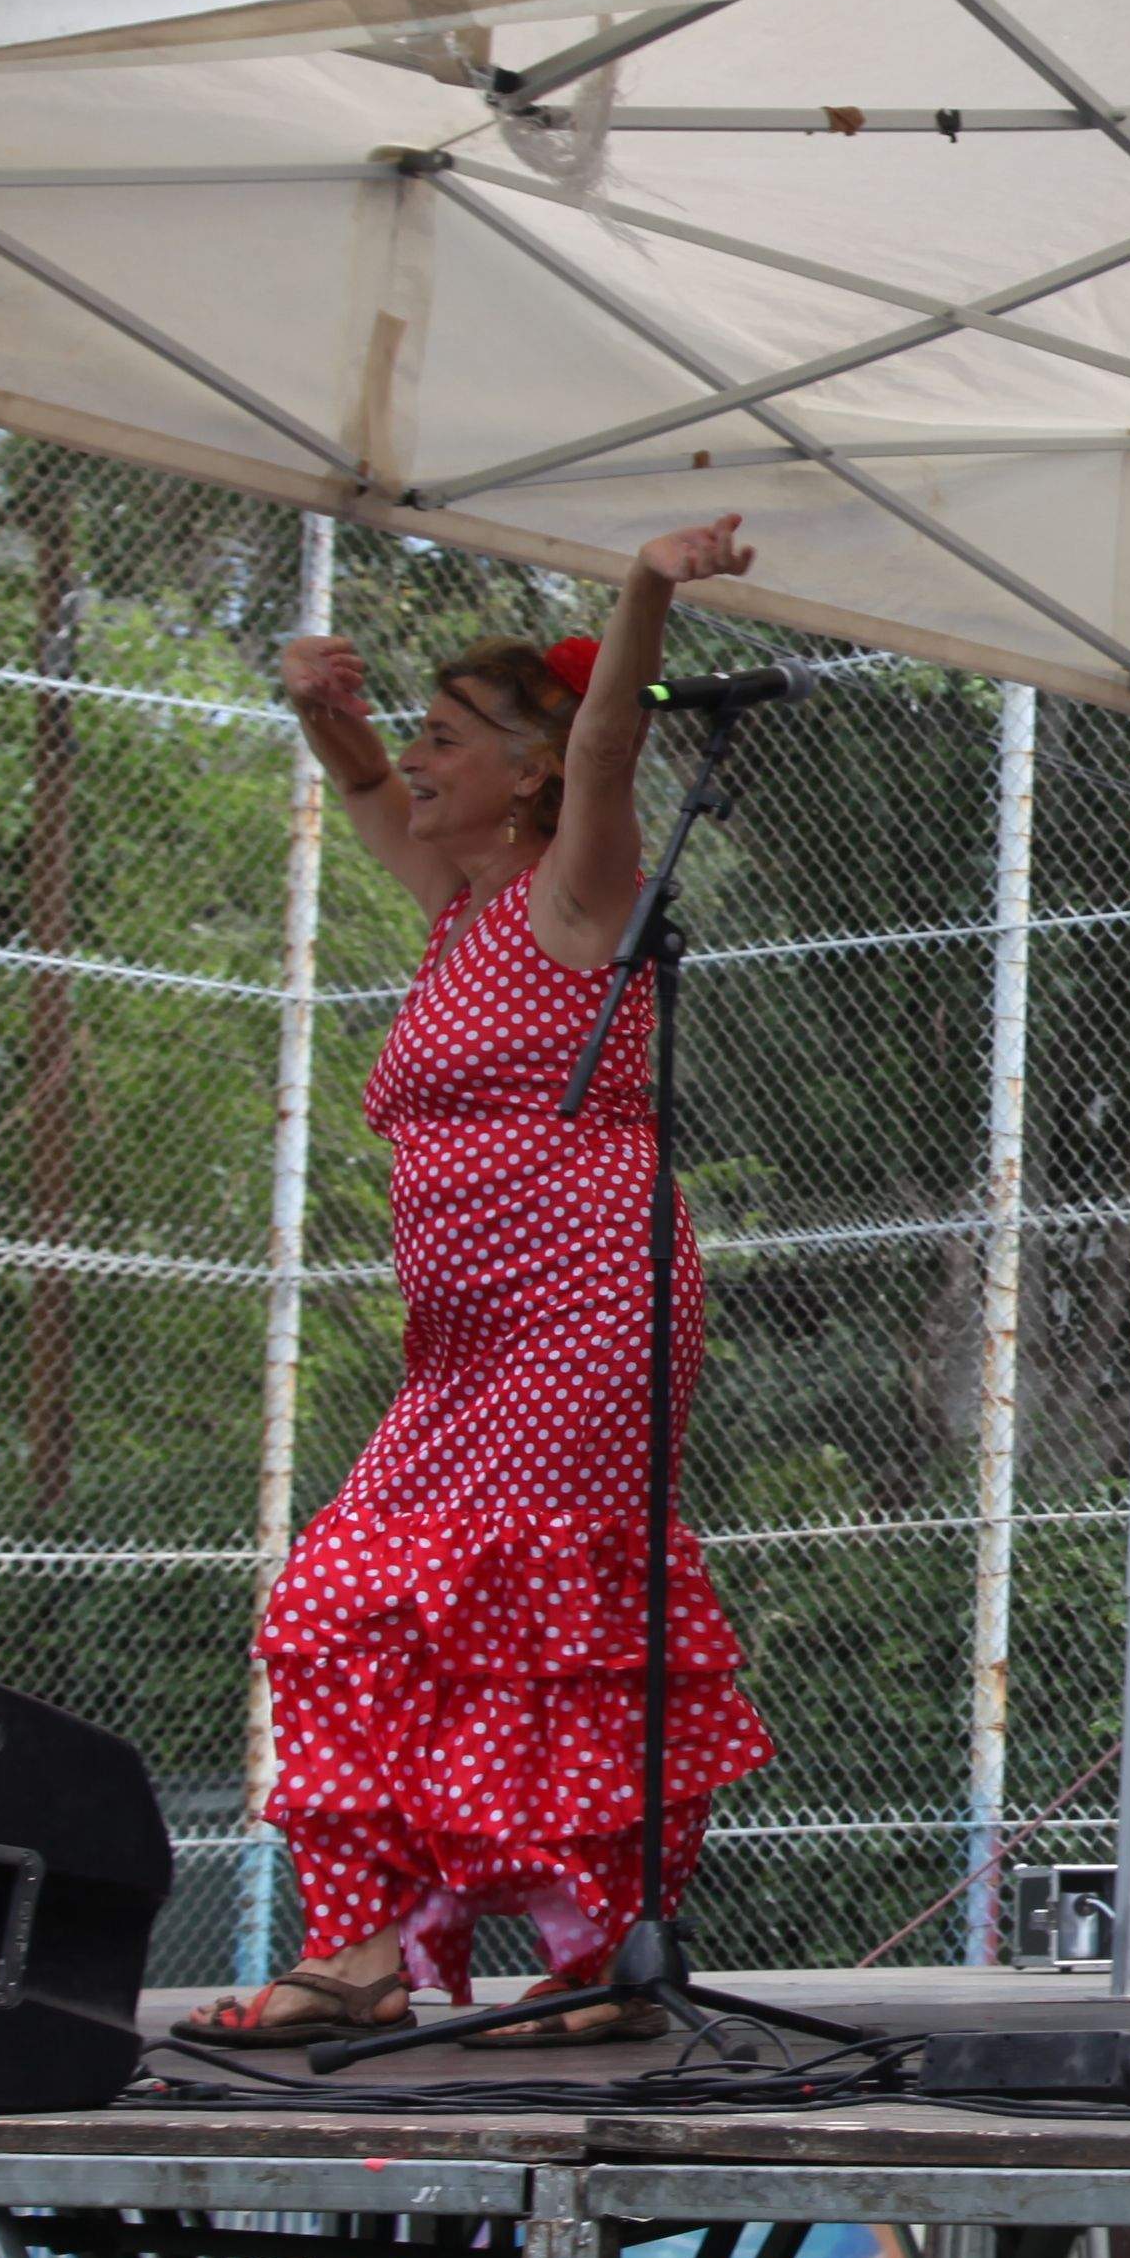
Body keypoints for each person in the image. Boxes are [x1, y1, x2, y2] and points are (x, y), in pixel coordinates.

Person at [184, 520, 774, 2041]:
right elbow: (372, 790)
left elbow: (606, 754)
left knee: (533, 1597)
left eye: (448, 738)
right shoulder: (457, 910)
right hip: (462, 1341)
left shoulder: (577, 898)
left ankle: (596, 1950)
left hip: (587, 1302)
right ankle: (378, 1952)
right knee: (357, 1598)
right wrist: (324, 707)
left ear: (528, 771)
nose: (414, 758)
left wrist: (642, 589)